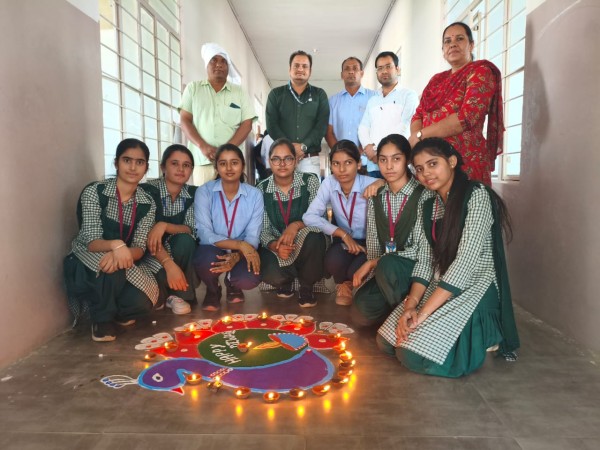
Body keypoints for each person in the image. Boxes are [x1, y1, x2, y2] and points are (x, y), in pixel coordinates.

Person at [377, 137, 520, 378]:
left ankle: (486, 335)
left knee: (411, 355)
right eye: (419, 169)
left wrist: (422, 315)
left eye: (433, 164)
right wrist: (410, 306)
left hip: (474, 287)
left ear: (452, 161)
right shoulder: (429, 204)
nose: (426, 173)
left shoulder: (477, 195)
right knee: (386, 342)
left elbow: (465, 263)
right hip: (443, 285)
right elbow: (425, 260)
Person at [64, 139, 158, 342]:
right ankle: (102, 320)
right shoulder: (95, 191)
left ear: (146, 167)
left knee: (142, 303)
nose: (132, 167)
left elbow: (140, 248)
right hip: (86, 258)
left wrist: (121, 253)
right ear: (116, 163)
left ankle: (116, 311)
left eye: (139, 162)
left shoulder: (147, 202)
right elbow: (91, 240)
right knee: (110, 268)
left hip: (123, 259)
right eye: (127, 160)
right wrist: (116, 245)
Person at [408, 22, 505, 186]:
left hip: (465, 162)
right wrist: (420, 146)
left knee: (467, 202)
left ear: (471, 45)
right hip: (431, 162)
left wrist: (419, 136)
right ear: (443, 51)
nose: (452, 44)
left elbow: (467, 117)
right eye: (447, 41)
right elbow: (418, 114)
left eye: (459, 39)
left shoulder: (480, 71)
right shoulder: (436, 80)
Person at [352, 134, 427, 326]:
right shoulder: (376, 195)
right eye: (383, 160)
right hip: (386, 272)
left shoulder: (423, 195)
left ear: (407, 160)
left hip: (413, 270)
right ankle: (397, 310)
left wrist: (375, 263)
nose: (389, 166)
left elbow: (422, 250)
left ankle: (408, 316)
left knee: (388, 264)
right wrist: (373, 266)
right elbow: (373, 241)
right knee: (362, 307)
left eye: (396, 159)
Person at [303, 140, 382, 306]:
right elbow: (309, 216)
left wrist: (383, 182)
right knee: (332, 260)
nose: (342, 169)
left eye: (348, 163)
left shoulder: (371, 184)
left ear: (358, 164)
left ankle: (352, 282)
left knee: (355, 270)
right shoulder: (329, 183)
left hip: (370, 243)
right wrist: (342, 233)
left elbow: (394, 185)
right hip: (344, 241)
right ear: (331, 166)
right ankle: (343, 284)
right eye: (336, 164)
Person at [257, 138, 326, 308]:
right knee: (269, 272)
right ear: (269, 162)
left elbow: (319, 217)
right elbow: (263, 229)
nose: (282, 164)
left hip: (305, 242)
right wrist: (275, 246)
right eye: (276, 159)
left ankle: (306, 286)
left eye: (287, 158)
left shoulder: (310, 181)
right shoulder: (261, 189)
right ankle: (285, 280)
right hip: (277, 246)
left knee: (315, 237)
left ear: (296, 161)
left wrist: (295, 226)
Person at [193, 144, 263, 311]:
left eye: (234, 163)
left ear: (243, 166)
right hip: (213, 248)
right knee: (205, 260)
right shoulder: (204, 192)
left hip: (242, 250)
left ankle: (233, 283)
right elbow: (204, 234)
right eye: (223, 163)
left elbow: (253, 236)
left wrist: (237, 255)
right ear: (216, 167)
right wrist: (238, 244)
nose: (229, 168)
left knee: (250, 277)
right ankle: (213, 289)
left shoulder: (254, 195)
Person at [179, 43, 256, 186]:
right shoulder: (193, 89)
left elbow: (247, 124)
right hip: (203, 161)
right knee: (204, 199)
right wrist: (202, 145)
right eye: (213, 60)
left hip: (232, 162)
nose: (219, 65)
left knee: (232, 199)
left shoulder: (239, 92)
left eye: (223, 61)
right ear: (206, 64)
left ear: (228, 67)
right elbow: (184, 120)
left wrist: (227, 149)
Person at [141, 144, 197, 315]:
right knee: (150, 298)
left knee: (185, 240)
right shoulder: (147, 191)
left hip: (177, 249)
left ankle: (179, 295)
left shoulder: (194, 194)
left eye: (186, 165)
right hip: (148, 251)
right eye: (174, 163)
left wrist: (164, 225)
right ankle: (165, 293)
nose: (181, 169)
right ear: (163, 167)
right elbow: (145, 234)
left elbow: (190, 228)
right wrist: (168, 263)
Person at [266, 50, 329, 177]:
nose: (300, 69)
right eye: (296, 65)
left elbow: (321, 126)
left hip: (310, 160)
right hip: (283, 161)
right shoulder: (276, 94)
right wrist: (289, 148)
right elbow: (272, 126)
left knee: (311, 191)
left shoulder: (319, 95)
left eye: (305, 66)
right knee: (283, 191)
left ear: (310, 71)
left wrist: (303, 146)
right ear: (289, 69)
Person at [358, 51, 418, 178]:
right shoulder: (373, 100)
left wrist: (381, 153)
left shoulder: (408, 95)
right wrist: (368, 148)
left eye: (388, 66)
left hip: (397, 163)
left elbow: (405, 126)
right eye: (380, 68)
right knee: (375, 191)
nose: (384, 71)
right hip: (374, 165)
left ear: (398, 69)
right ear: (377, 73)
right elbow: (363, 128)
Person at [325, 56, 377, 167]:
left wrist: (359, 151)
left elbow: (378, 127)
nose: (351, 71)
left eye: (355, 68)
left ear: (362, 73)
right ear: (342, 75)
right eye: (347, 69)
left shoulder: (374, 97)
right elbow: (329, 132)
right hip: (342, 163)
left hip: (368, 161)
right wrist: (341, 154)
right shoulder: (333, 101)